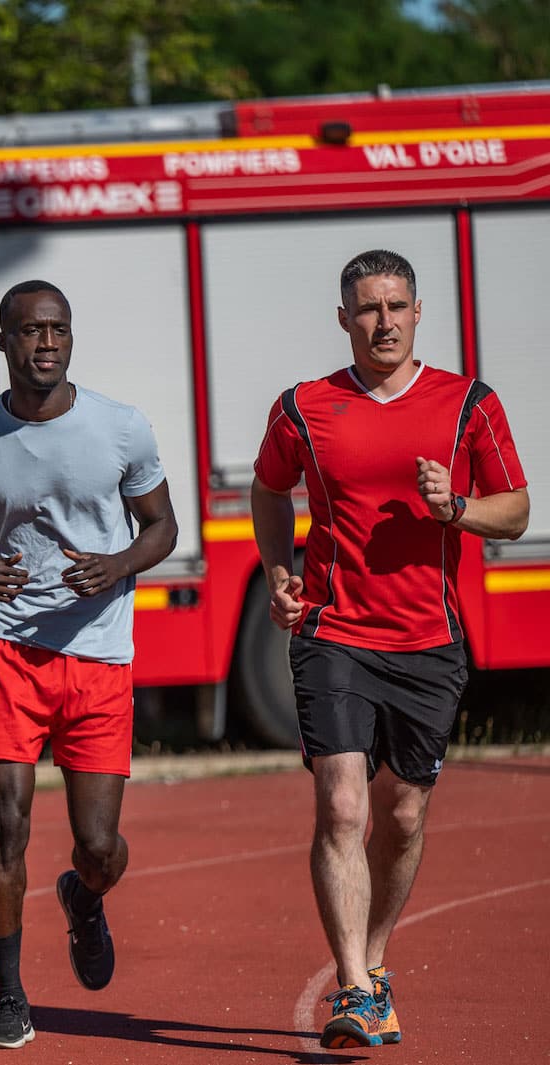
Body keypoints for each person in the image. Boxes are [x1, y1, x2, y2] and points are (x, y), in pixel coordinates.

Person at [250, 249, 529, 1049]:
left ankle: (372, 965)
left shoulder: (468, 403)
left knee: (402, 814)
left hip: (429, 640)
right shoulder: (303, 407)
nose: (383, 321)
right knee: (342, 803)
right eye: (367, 308)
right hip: (334, 632)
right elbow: (270, 488)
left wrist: (459, 507)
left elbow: (515, 511)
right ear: (344, 319)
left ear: (417, 311)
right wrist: (278, 569)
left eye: (397, 305)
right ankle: (353, 986)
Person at [0, 280, 177, 1049]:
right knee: (7, 824)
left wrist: (117, 565)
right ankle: (8, 997)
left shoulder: (120, 427)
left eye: (58, 329)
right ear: (3, 344)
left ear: (71, 338)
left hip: (100, 655)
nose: (46, 343)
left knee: (99, 846)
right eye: (30, 331)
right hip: (10, 652)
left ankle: (85, 895)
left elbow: (162, 526)